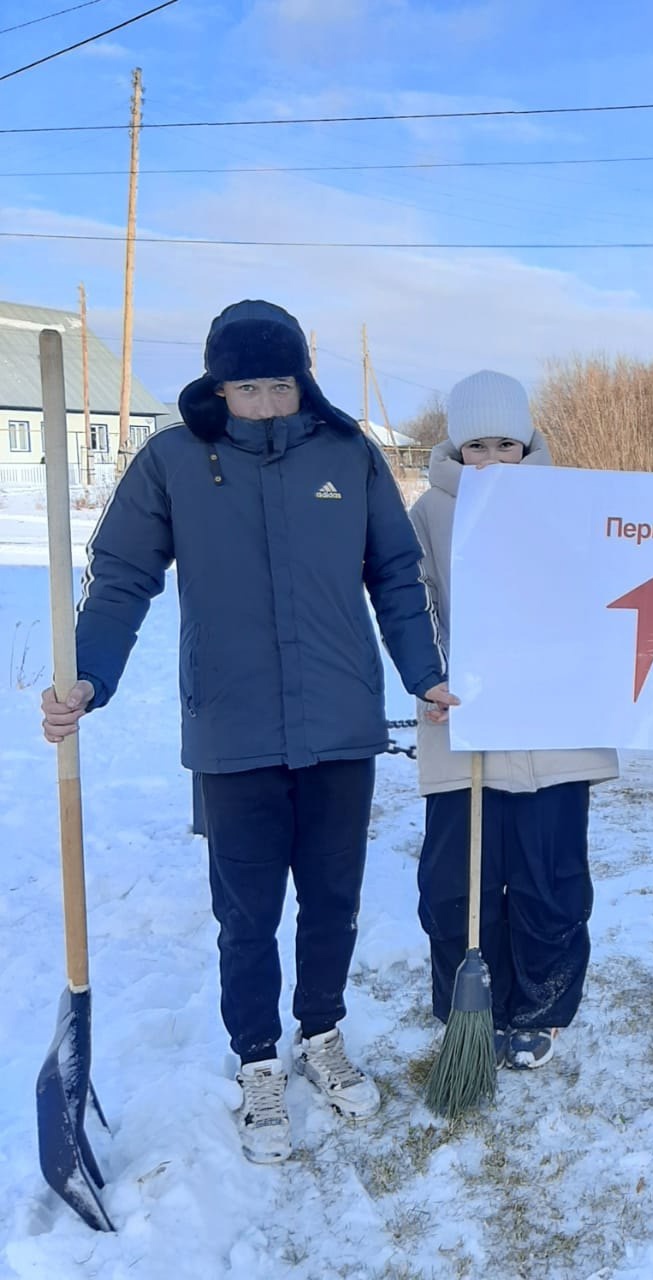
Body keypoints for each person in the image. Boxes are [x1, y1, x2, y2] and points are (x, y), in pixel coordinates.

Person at [40, 300, 457, 1164]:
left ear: (302, 379)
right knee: (247, 914)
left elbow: (394, 573)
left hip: (341, 723)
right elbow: (119, 577)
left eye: (280, 384)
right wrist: (89, 672)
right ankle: (258, 1059)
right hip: (231, 727)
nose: (265, 402)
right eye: (247, 388)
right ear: (216, 385)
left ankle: (322, 1032)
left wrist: (424, 672)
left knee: (334, 901)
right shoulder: (175, 462)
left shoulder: (349, 454)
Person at [409, 370, 618, 1070]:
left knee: (548, 877)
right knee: (456, 883)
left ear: (527, 445)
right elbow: (416, 602)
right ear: (456, 449)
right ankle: (472, 1006)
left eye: (507, 443)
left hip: (555, 735)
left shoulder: (573, 505)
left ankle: (541, 1005)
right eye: (478, 446)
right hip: (463, 726)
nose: (493, 460)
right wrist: (437, 674)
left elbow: (608, 590)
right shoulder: (429, 515)